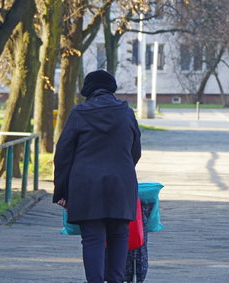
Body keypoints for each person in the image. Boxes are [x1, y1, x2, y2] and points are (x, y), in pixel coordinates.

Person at [53, 69, 141, 282]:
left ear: (88, 90)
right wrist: (122, 168)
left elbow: (63, 155)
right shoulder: (126, 113)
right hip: (121, 185)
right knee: (120, 235)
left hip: (86, 186)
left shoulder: (79, 113)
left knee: (92, 239)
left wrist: (61, 191)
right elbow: (135, 150)